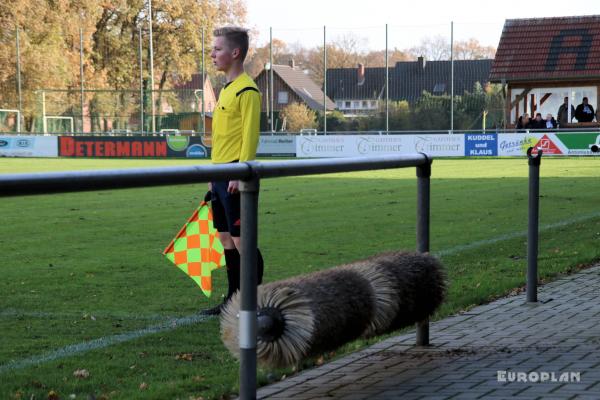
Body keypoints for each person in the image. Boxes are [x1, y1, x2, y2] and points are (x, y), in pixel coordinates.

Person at [202, 26, 264, 315]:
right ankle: (232, 300)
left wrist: (241, 174)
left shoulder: (248, 90)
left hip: (234, 174)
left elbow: (250, 137)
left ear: (235, 52)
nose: (212, 54)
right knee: (225, 238)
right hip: (218, 175)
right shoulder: (225, 89)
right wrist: (212, 179)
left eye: (218, 49)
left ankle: (252, 300)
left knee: (242, 240)